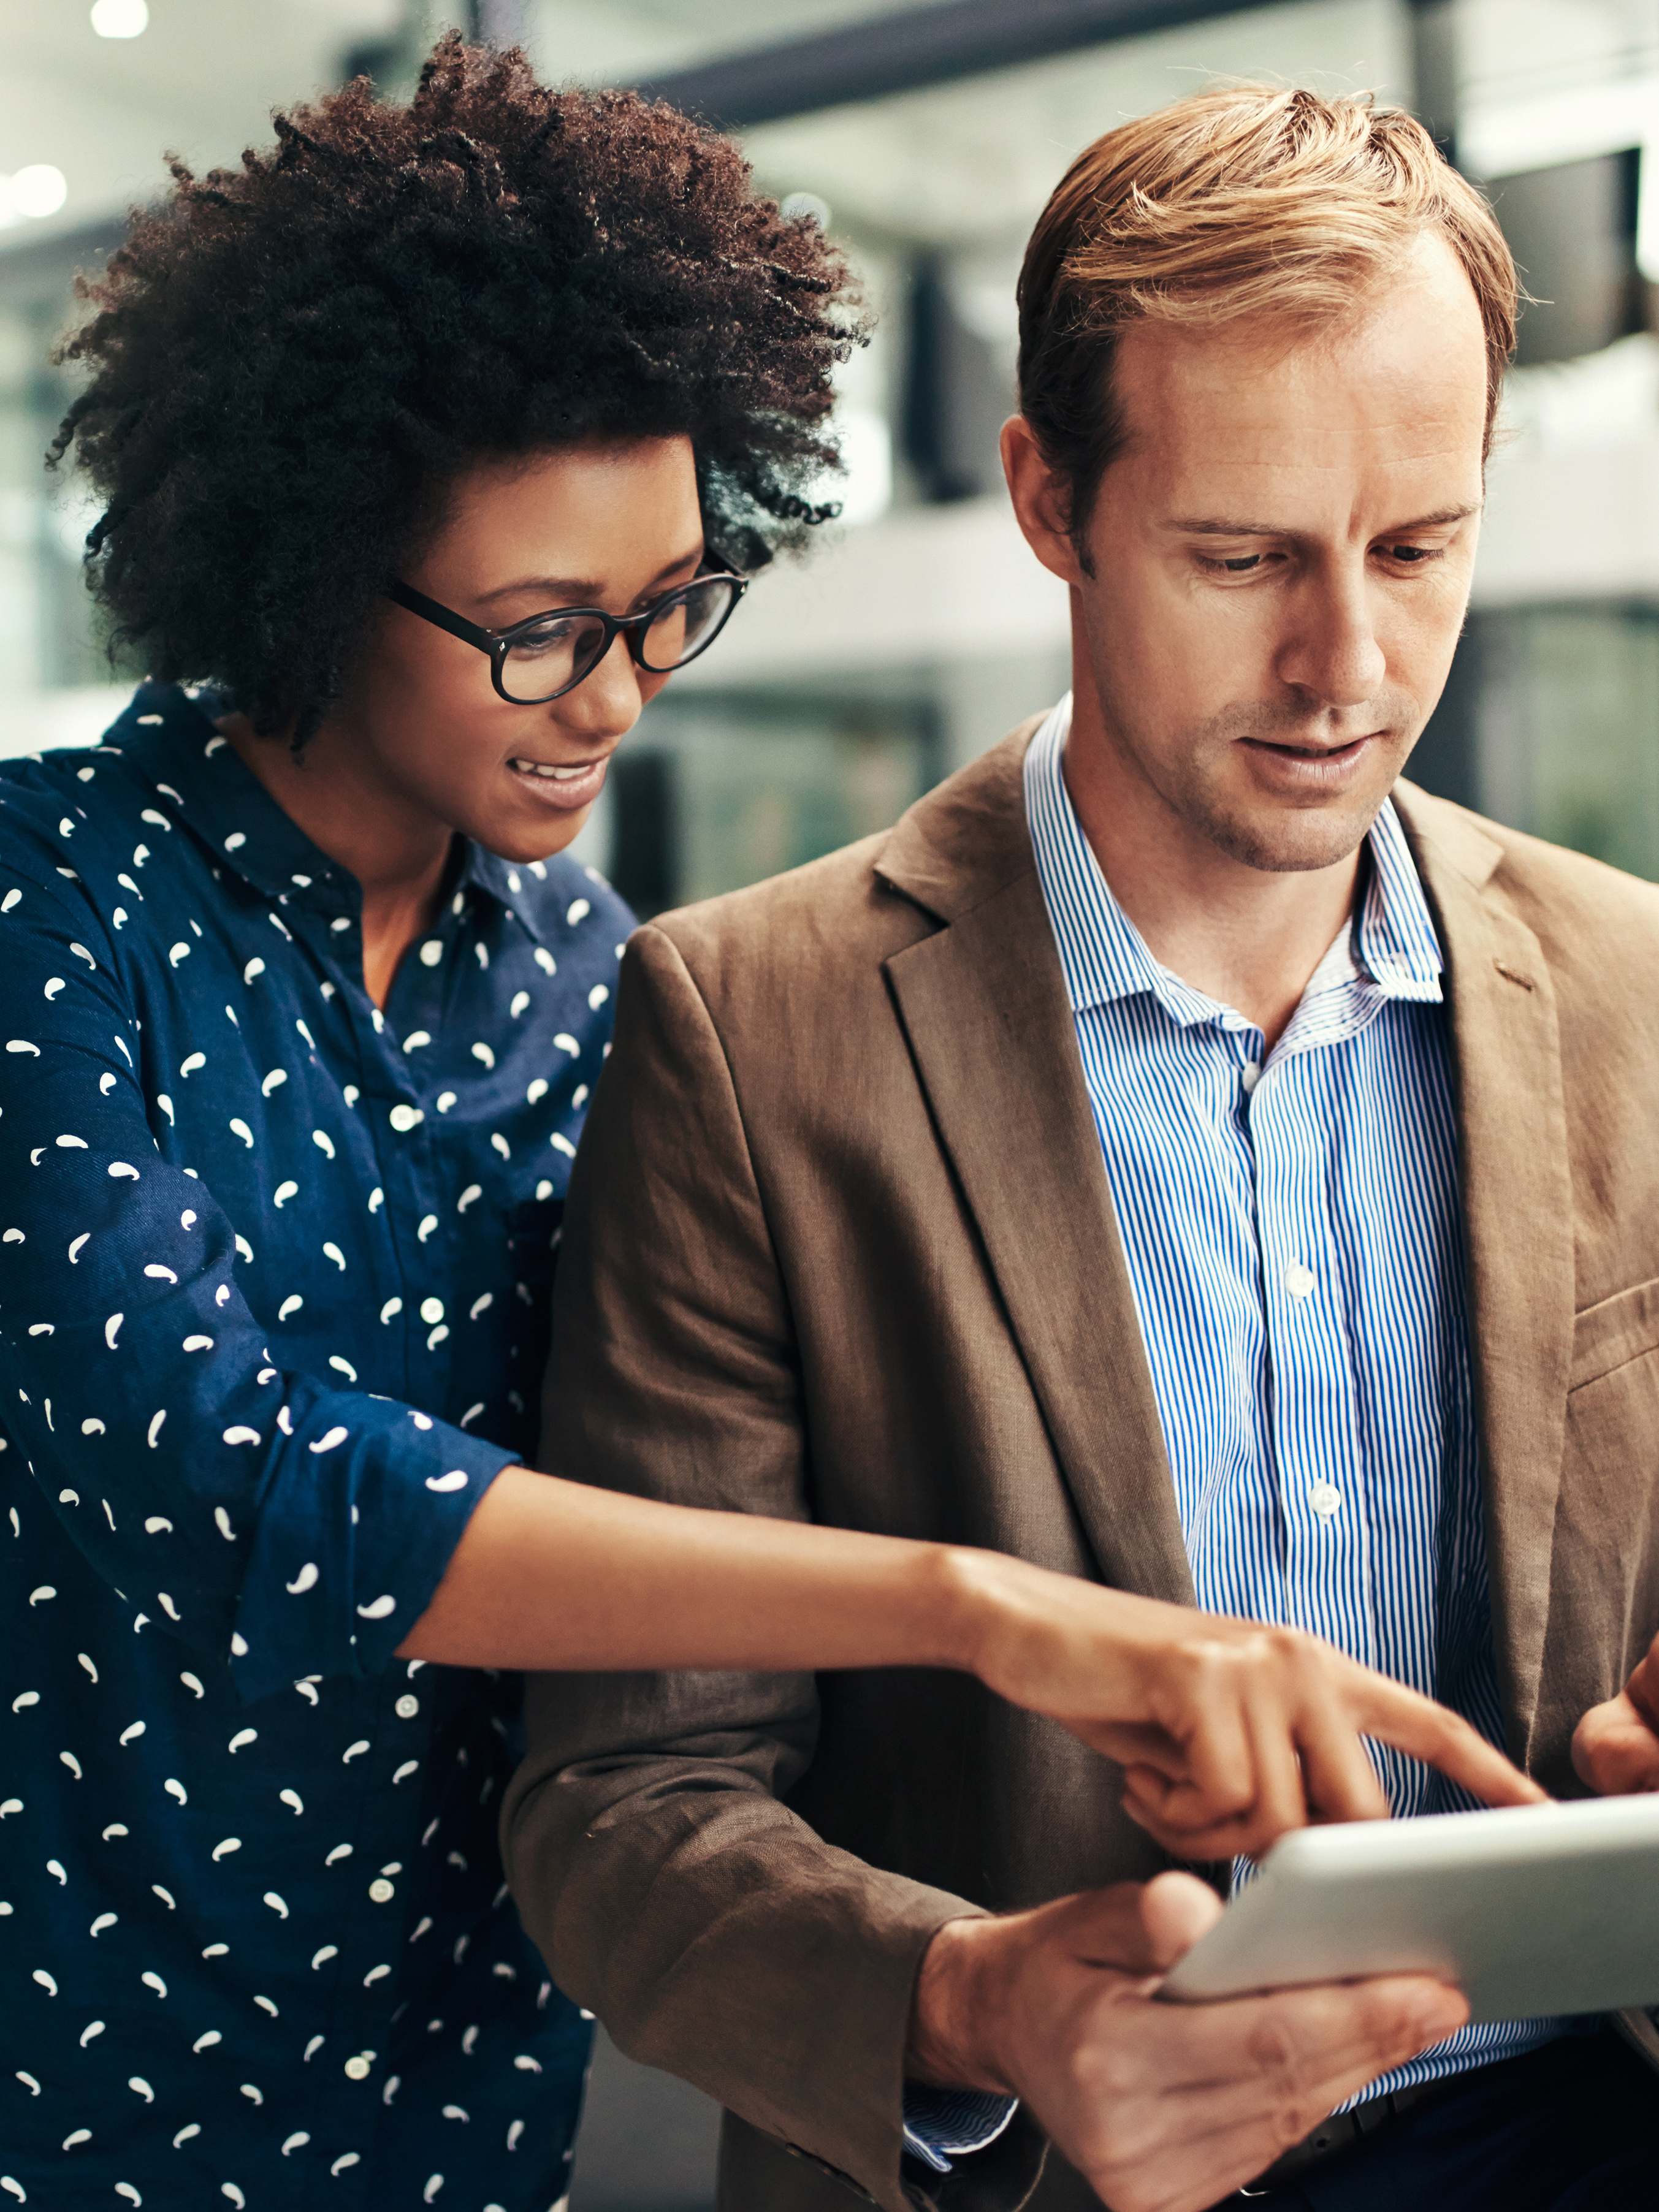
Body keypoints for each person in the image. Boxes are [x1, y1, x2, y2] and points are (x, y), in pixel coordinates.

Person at [0, 45, 1533, 2212]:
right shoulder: (47, 899)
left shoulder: (577, 966)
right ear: (316, 552)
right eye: (540, 631)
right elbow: (240, 1476)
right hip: (90, 2010)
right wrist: (984, 1605)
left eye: (666, 609)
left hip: (464, 2046)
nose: (621, 696)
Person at [502, 85, 1659, 2212]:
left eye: (1418, 548)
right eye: (1241, 557)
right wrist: (981, 1998)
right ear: (1048, 497)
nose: (1349, 663)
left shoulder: (1632, 984)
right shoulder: (747, 1031)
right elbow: (625, 1796)